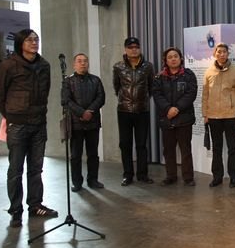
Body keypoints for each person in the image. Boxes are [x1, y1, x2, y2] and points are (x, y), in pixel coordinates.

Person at [0, 29, 58, 228]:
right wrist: (12, 116)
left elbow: (45, 92)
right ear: (20, 43)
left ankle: (35, 205)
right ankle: (16, 210)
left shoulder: (44, 65)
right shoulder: (8, 65)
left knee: (36, 169)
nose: (34, 42)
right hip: (18, 126)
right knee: (15, 170)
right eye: (29, 40)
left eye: (36, 39)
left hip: (39, 124)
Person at [202, 43, 235, 188]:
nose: (222, 54)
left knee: (232, 147)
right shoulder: (209, 72)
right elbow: (205, 95)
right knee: (216, 148)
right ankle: (217, 177)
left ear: (228, 54)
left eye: (224, 52)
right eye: (219, 52)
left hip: (230, 116)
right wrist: (205, 114)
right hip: (213, 116)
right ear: (215, 54)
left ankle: (234, 177)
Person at [152, 47, 198, 186]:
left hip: (184, 118)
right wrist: (168, 108)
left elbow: (191, 93)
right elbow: (157, 95)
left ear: (180, 58)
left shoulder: (188, 75)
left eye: (175, 56)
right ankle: (171, 176)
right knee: (168, 150)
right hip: (167, 118)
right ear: (165, 61)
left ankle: (188, 177)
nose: (173, 59)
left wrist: (177, 108)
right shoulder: (159, 77)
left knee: (185, 149)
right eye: (170, 57)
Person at [113, 37, 155, 186]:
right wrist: (126, 100)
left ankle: (142, 174)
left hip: (142, 111)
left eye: (136, 47)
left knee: (141, 144)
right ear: (125, 49)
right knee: (125, 144)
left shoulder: (148, 67)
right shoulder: (118, 67)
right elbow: (116, 87)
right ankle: (127, 175)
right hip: (124, 111)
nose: (134, 50)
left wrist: (141, 101)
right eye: (130, 47)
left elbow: (151, 87)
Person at [61, 53, 106, 192]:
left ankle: (93, 180)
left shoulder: (96, 80)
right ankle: (77, 182)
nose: (83, 63)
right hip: (76, 124)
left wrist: (90, 111)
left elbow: (101, 98)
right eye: (79, 61)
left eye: (85, 61)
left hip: (93, 122)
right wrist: (81, 113)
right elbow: (66, 100)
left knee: (93, 154)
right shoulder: (68, 81)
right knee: (75, 155)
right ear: (74, 64)